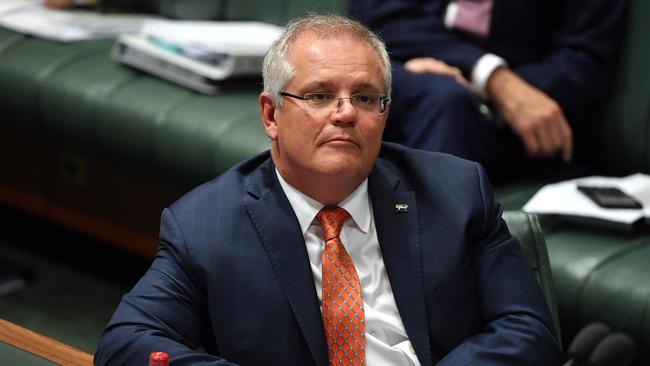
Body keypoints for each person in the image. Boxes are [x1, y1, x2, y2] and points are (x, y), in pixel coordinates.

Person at [94, 14, 562, 365]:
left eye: (365, 97)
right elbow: (126, 342)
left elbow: (528, 329)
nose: (345, 114)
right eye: (319, 96)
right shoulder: (206, 224)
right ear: (271, 115)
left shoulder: (455, 191)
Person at [349, 0, 628, 183]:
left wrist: (487, 87)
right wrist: (489, 75)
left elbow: (585, 59)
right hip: (404, 74)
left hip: (506, 119)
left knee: (447, 99)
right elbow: (381, 14)